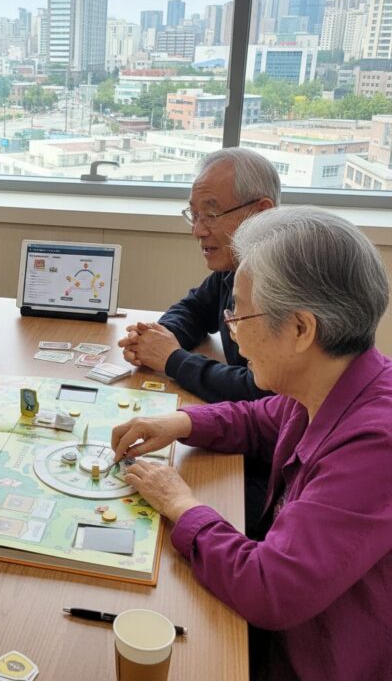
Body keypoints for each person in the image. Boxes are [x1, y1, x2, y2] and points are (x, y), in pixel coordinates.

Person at [112, 207, 392, 681]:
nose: (231, 326)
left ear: (301, 330)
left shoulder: (376, 441)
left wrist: (181, 504)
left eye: (239, 312)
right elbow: (261, 418)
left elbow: (272, 588)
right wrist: (179, 422)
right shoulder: (328, 383)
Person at [118, 148, 280, 403]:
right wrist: (157, 337)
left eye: (212, 215)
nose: (198, 231)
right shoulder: (235, 267)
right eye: (194, 215)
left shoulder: (288, 284)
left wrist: (172, 359)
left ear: (260, 212)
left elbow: (263, 391)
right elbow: (195, 309)